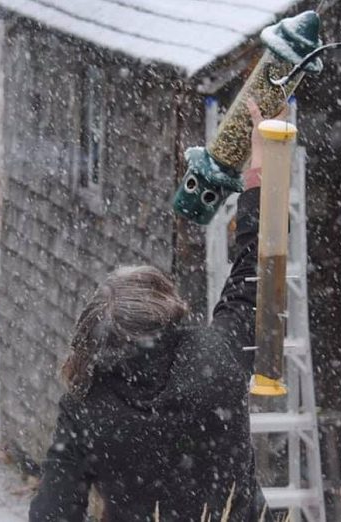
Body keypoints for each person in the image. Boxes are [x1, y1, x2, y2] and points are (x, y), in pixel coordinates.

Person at [29, 101, 271, 522]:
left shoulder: (86, 406)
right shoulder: (218, 356)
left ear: (92, 338)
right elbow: (258, 271)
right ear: (170, 309)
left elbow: (53, 513)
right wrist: (259, 175)